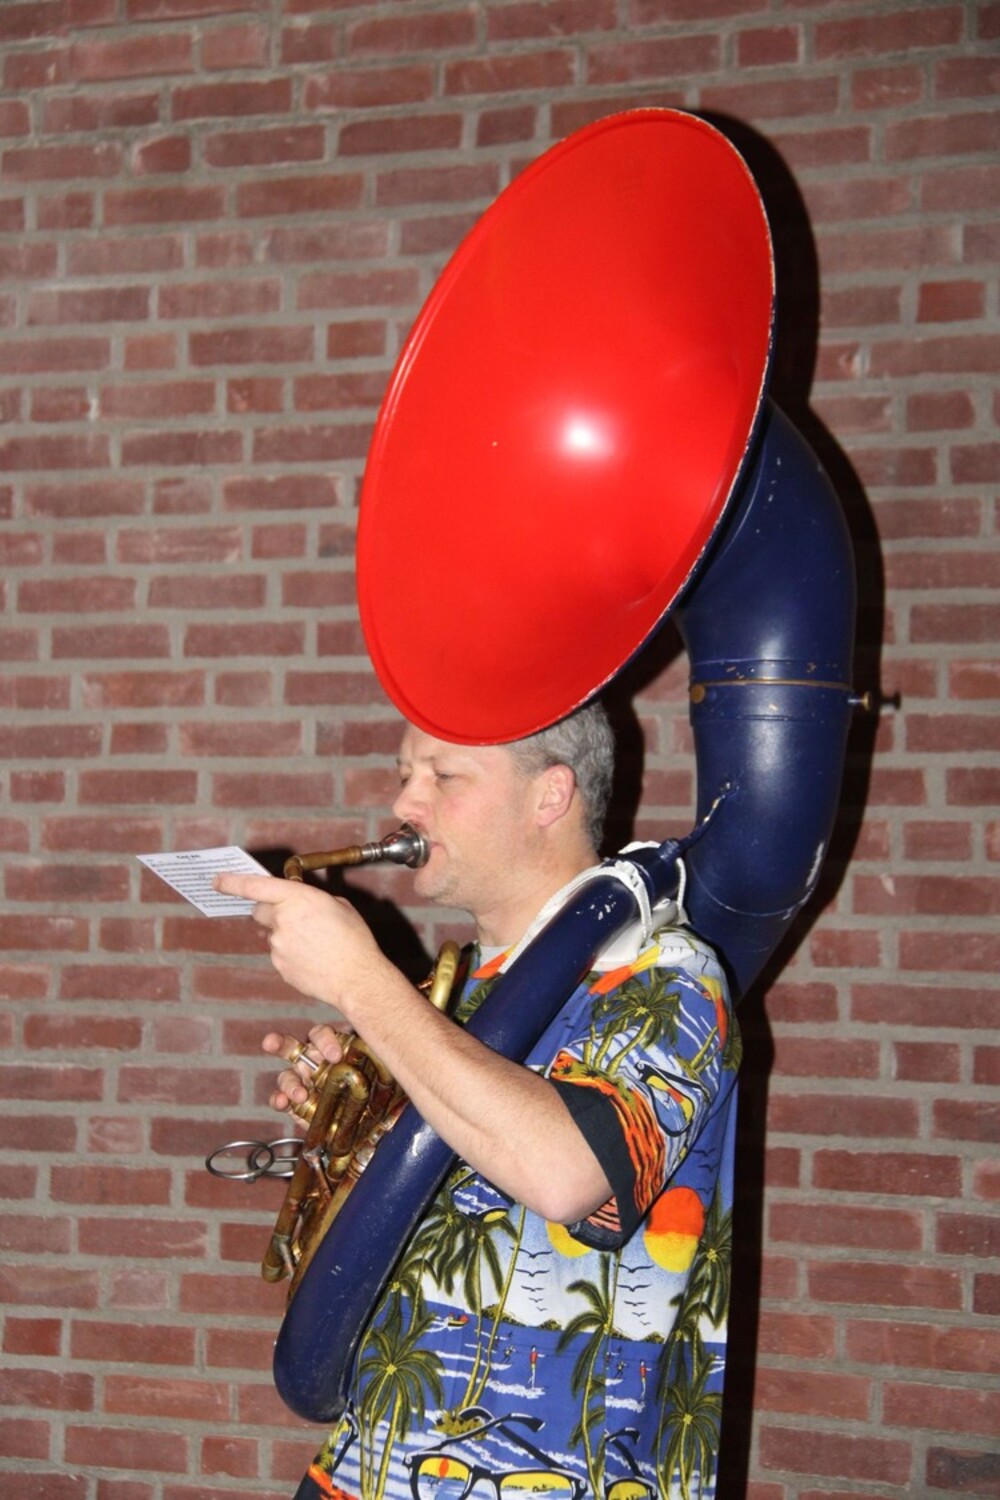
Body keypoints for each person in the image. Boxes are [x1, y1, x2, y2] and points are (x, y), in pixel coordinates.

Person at [216, 703, 740, 1500]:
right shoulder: (449, 997)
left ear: (549, 795)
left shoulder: (669, 977)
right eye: (405, 775)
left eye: (444, 777)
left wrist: (362, 983)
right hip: (366, 1470)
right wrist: (346, 1130)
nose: (405, 803)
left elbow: (566, 1174)